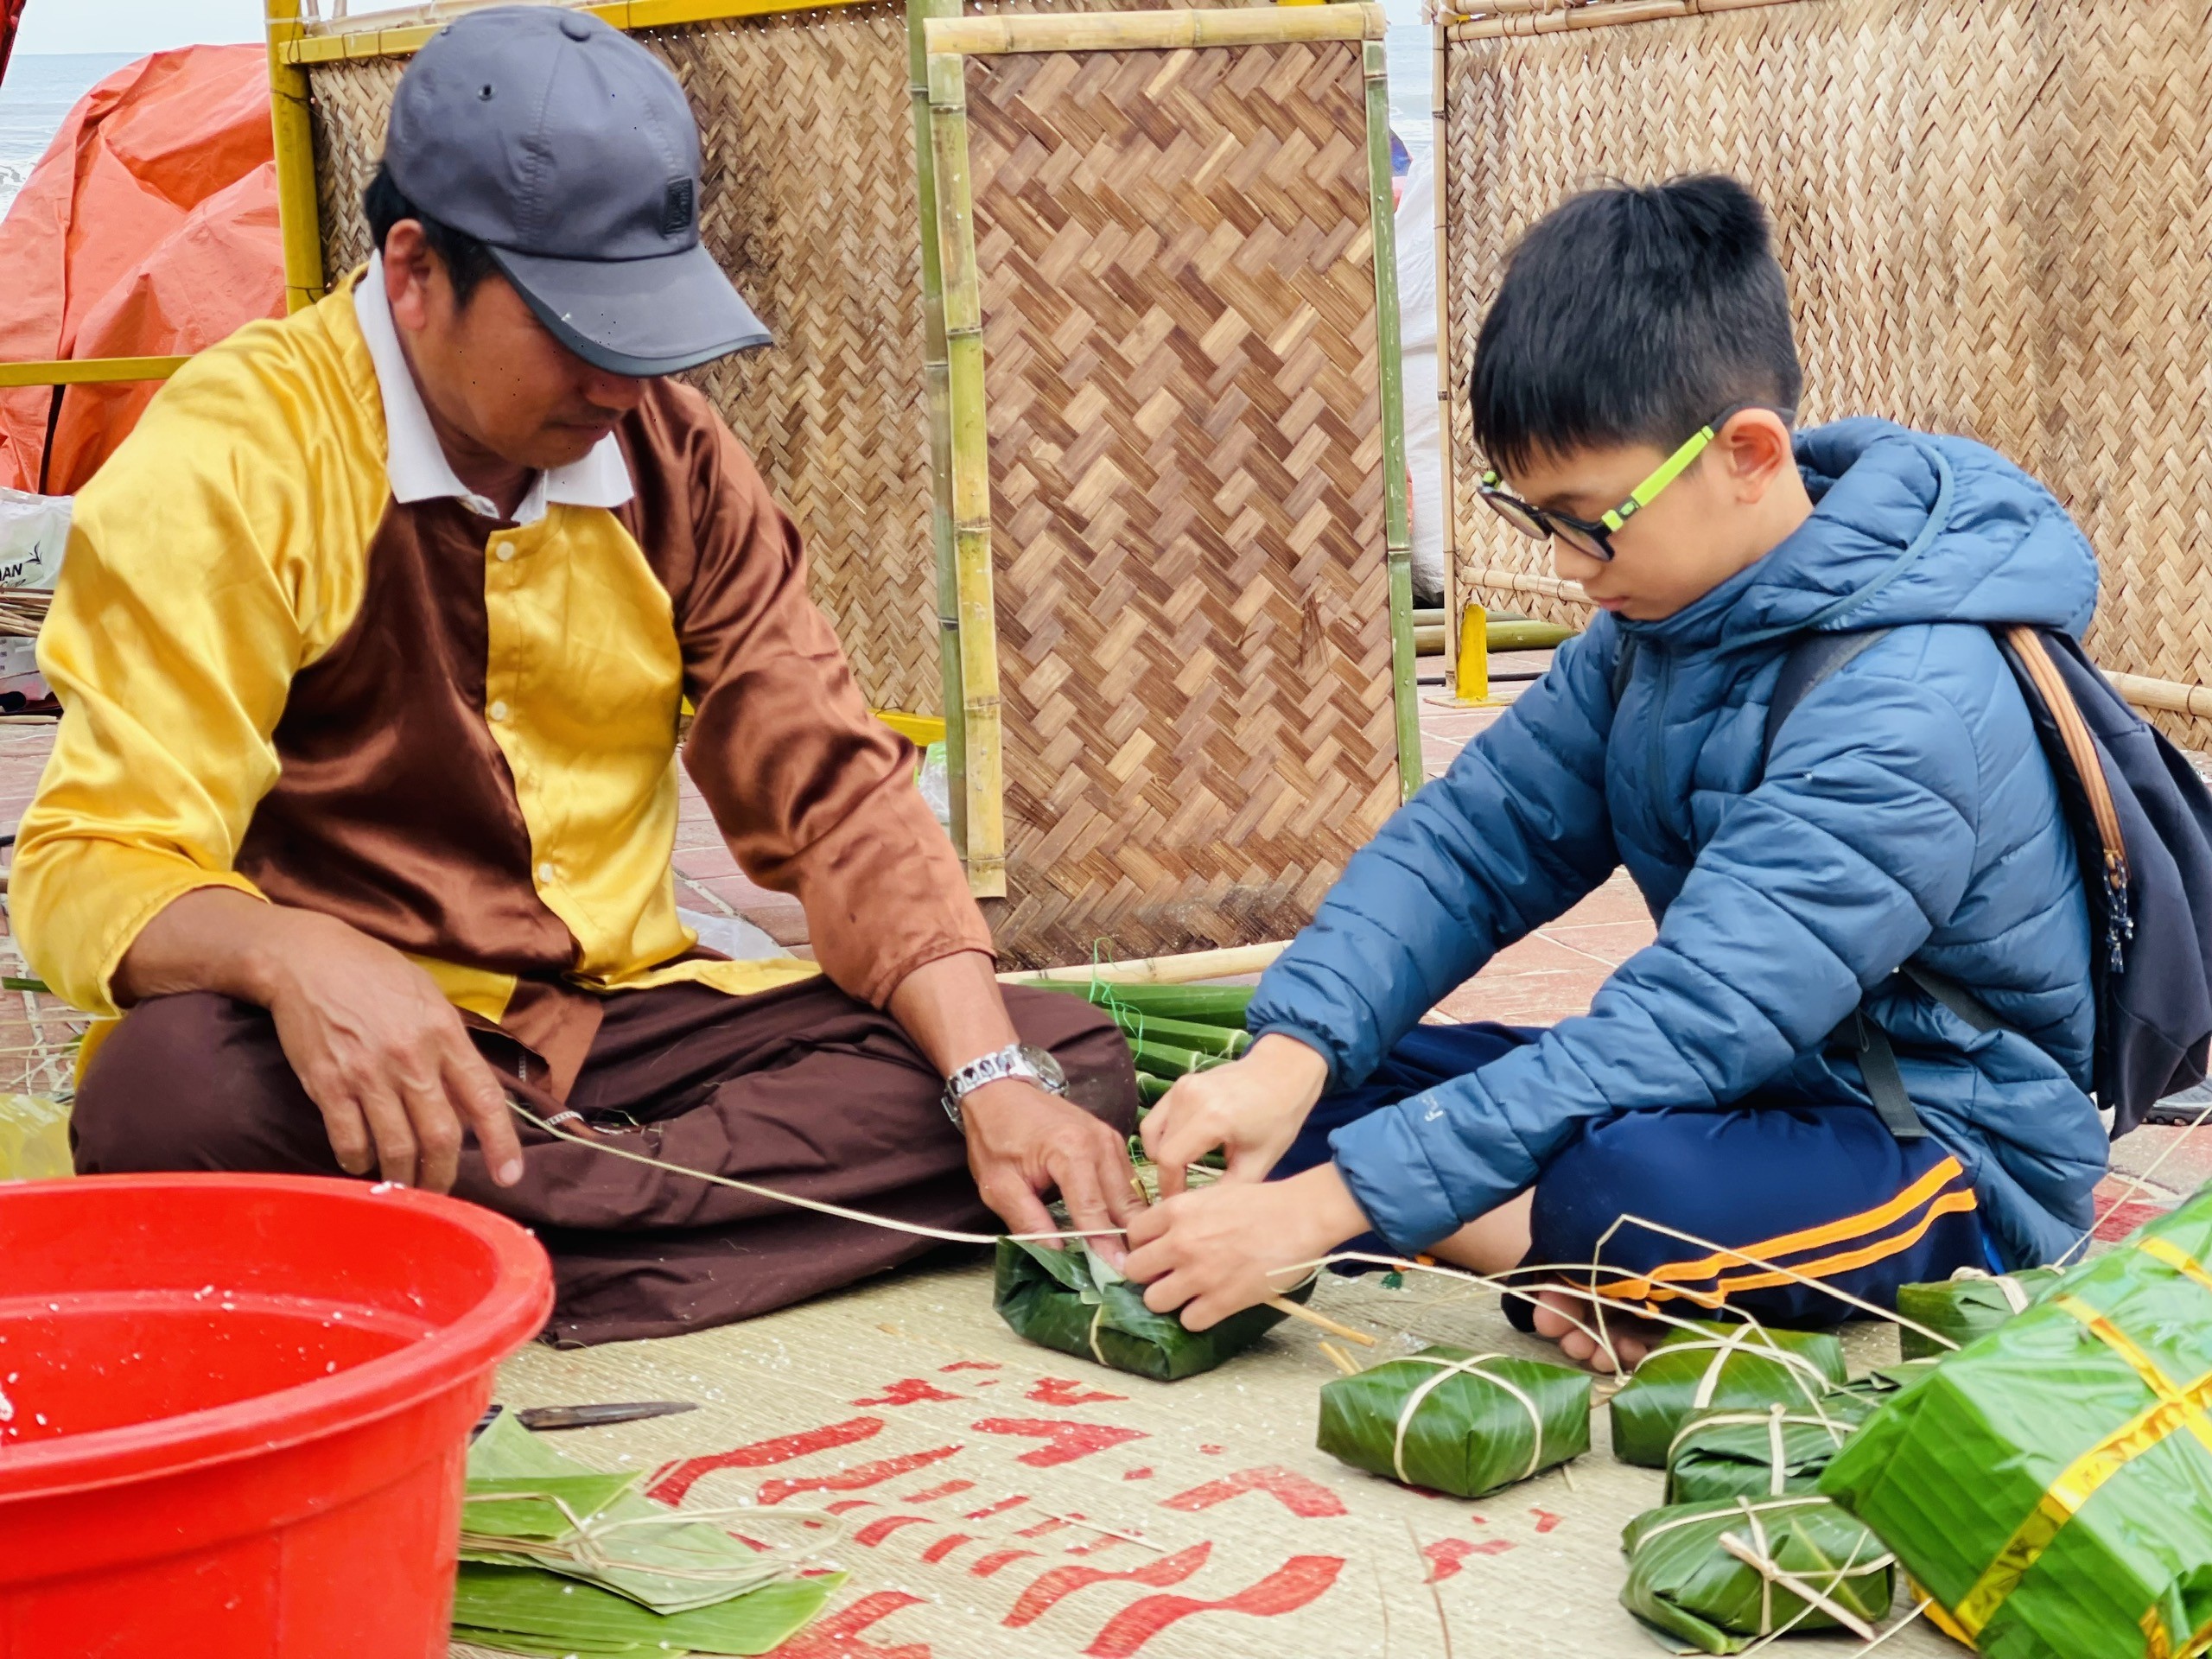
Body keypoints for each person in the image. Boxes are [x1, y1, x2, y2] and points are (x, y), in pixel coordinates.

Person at [15, 7, 1140, 1346]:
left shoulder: (673, 455)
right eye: (574, 327)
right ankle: (635, 1231)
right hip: (358, 1054)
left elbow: (835, 790)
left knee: (1058, 1056)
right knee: (167, 1099)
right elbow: (88, 863)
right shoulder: (234, 456)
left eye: (645, 325)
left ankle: (473, 1250)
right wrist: (296, 953)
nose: (622, 377)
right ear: (417, 270)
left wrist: (992, 1079)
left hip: (618, 1029)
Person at [1123, 175, 2109, 1370]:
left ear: (1746, 453)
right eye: (1532, 514)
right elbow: (1473, 847)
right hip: (1735, 1090)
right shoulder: (1655, 629)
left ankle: (1592, 1259)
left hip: (1935, 1146)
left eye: (1590, 519)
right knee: (1312, 1099)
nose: (1568, 563)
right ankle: (1602, 1276)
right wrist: (1294, 1052)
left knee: (1618, 1196)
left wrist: (1324, 1214)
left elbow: (1689, 1024)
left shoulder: (1908, 706)